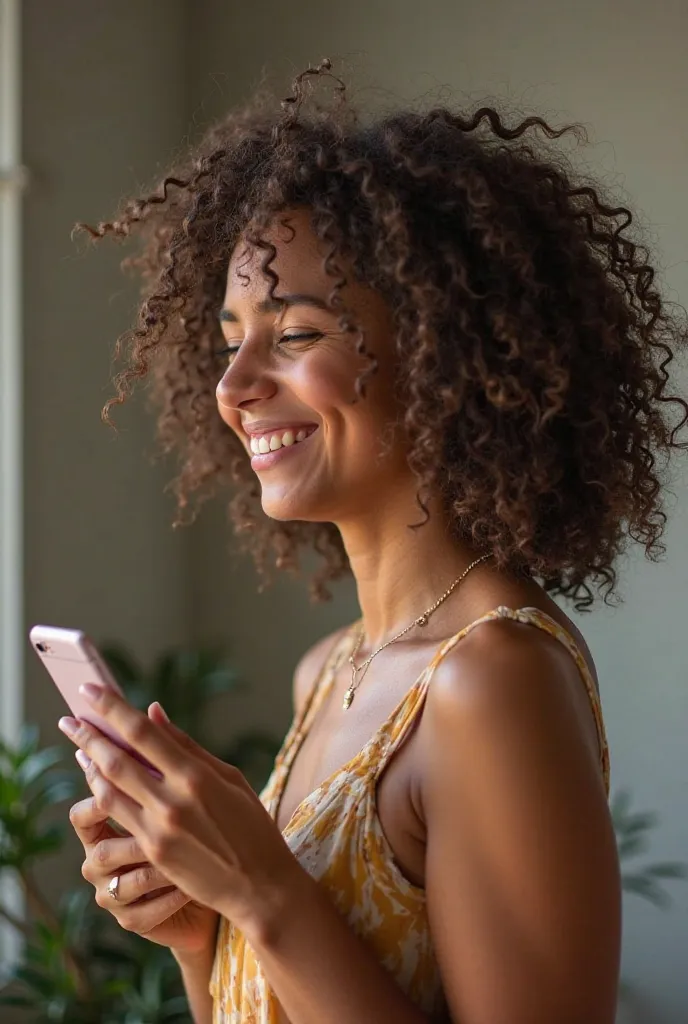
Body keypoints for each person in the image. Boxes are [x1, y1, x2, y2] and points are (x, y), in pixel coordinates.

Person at [59, 60, 687, 1024]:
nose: (232, 387)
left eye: (295, 334)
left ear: (446, 354)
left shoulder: (492, 679)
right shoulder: (330, 670)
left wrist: (263, 893)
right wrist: (204, 929)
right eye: (230, 338)